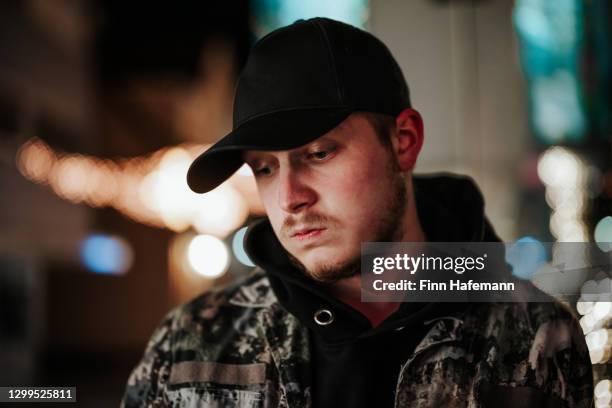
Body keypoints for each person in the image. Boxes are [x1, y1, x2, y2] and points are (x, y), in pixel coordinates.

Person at [121, 18, 593, 407]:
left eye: (319, 153)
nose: (289, 198)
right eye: (264, 168)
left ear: (403, 142)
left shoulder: (536, 336)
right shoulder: (189, 345)